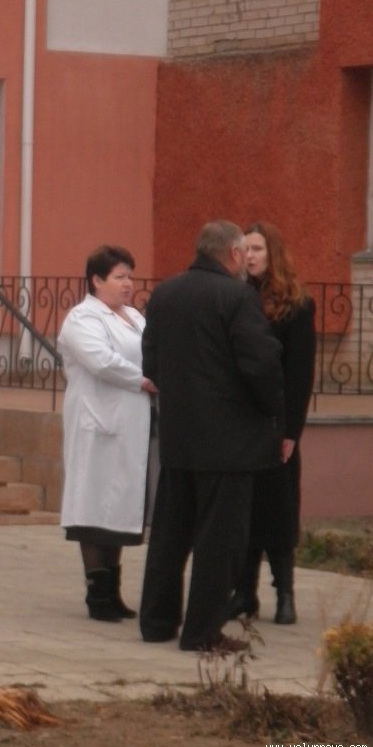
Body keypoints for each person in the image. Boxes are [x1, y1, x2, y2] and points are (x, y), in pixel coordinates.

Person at [138, 220, 285, 652]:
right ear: (234, 254)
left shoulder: (165, 293)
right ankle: (202, 632)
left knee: (169, 534)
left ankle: (156, 621)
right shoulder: (237, 297)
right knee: (220, 540)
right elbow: (260, 364)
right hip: (229, 445)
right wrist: (271, 409)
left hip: (178, 437)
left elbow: (151, 361)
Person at [58, 245, 158, 622]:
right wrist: (143, 380)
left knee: (119, 508)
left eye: (130, 276)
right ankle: (96, 593)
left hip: (131, 424)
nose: (128, 284)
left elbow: (152, 350)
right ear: (96, 281)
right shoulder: (81, 319)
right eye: (119, 277)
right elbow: (101, 361)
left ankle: (113, 591)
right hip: (96, 425)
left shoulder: (134, 317)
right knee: (93, 503)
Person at [228, 221, 317, 625]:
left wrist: (290, 432)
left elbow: (300, 375)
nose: (249, 256)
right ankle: (243, 593)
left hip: (277, 420)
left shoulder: (296, 304)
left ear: (273, 253)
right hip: (241, 419)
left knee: (279, 509)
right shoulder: (235, 296)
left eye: (257, 249)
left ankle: (285, 594)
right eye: (245, 249)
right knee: (244, 509)